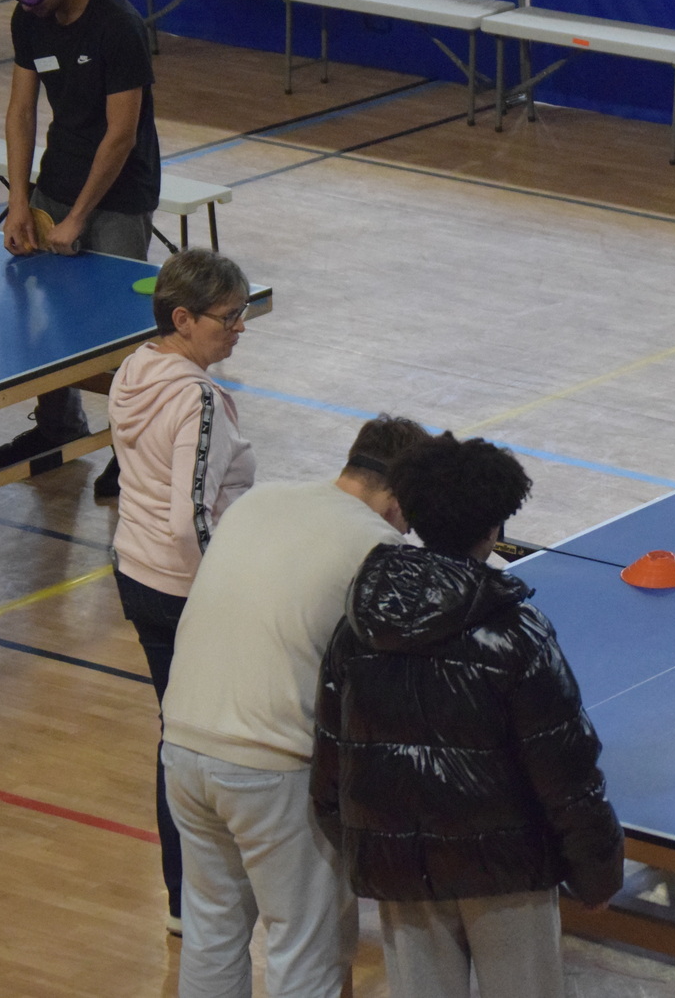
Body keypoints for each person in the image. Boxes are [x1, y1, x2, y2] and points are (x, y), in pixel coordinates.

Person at [312, 435, 624, 998]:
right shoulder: (518, 634)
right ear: (493, 527)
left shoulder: (356, 626)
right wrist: (596, 870)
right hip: (507, 872)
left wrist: (370, 847)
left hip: (400, 868)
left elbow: (331, 761)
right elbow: (565, 767)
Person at [161, 415, 431, 997]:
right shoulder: (377, 544)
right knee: (306, 945)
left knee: (210, 929)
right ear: (396, 501)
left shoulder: (259, 502)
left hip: (182, 745)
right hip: (274, 764)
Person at [110, 248, 256, 934]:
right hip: (183, 592)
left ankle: (184, 896)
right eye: (229, 317)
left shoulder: (134, 368)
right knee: (203, 745)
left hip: (136, 573)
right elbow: (188, 518)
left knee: (177, 735)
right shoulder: (197, 399)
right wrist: (224, 594)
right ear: (183, 319)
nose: (240, 328)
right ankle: (194, 895)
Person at [0, 0, 162, 498]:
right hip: (56, 182)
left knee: (119, 333)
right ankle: (58, 427)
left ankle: (130, 451)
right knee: (51, 320)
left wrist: (78, 217)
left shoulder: (118, 26)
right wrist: (21, 201)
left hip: (118, 195)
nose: (25, 2)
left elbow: (121, 134)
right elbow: (21, 111)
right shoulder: (28, 20)